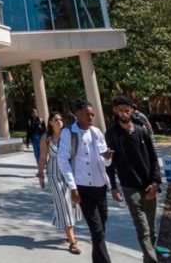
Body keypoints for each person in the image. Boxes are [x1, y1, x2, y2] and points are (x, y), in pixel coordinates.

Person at [106, 96, 162, 263]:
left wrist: (155, 182)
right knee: (142, 228)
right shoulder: (111, 135)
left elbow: (153, 158)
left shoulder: (141, 130)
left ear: (132, 110)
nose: (124, 112)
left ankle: (148, 258)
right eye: (120, 109)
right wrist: (113, 187)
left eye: (127, 109)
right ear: (115, 111)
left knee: (151, 229)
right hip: (130, 187)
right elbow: (109, 164)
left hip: (149, 185)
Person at [58, 100, 114, 263]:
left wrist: (107, 158)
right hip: (83, 187)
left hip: (100, 186)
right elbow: (63, 160)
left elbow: (105, 161)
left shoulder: (97, 132)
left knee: (101, 229)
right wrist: (73, 186)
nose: (90, 117)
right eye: (87, 114)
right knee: (96, 230)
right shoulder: (69, 133)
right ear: (77, 114)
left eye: (92, 114)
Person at [36, 112, 82, 254]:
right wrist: (40, 173)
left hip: (69, 172)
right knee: (63, 203)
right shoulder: (46, 138)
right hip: (54, 173)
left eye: (61, 119)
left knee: (73, 203)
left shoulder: (68, 135)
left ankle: (66, 227)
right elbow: (43, 156)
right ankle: (72, 242)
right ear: (50, 122)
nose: (59, 121)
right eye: (55, 120)